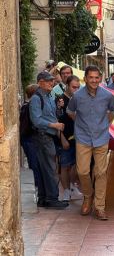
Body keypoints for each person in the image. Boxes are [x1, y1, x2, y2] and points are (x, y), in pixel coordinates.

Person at [67, 65, 114, 220]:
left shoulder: (108, 95)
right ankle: (88, 196)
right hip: (83, 138)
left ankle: (100, 207)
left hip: (101, 137)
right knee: (82, 171)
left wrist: (104, 125)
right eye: (91, 77)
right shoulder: (77, 96)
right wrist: (80, 124)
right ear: (86, 79)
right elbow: (70, 112)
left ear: (101, 78)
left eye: (97, 77)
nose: (94, 80)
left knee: (100, 172)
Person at [29, 71, 69, 209]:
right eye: (48, 81)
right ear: (40, 83)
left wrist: (59, 108)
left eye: (52, 80)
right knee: (51, 168)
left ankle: (43, 198)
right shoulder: (36, 98)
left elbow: (52, 115)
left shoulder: (48, 96)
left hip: (47, 136)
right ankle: (52, 198)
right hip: (42, 136)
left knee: (44, 168)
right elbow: (36, 120)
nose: (51, 83)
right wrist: (54, 125)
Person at [55, 75, 83, 202]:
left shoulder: (81, 99)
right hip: (65, 138)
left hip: (80, 138)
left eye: (78, 87)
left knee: (79, 166)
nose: (76, 90)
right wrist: (62, 139)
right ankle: (66, 191)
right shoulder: (60, 100)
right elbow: (55, 121)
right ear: (67, 86)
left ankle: (71, 186)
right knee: (65, 166)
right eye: (74, 87)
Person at [20, 84, 40, 189]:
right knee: (34, 162)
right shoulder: (28, 106)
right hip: (29, 138)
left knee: (34, 161)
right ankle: (36, 184)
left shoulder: (25, 105)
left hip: (26, 138)